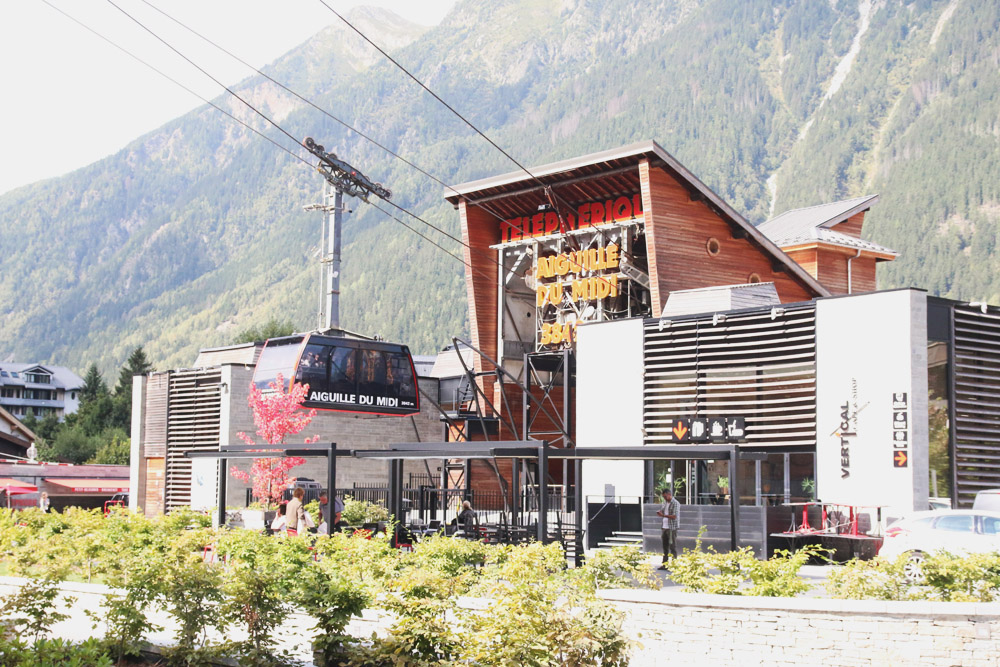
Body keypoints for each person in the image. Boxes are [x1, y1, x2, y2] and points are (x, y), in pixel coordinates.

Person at [656, 488, 680, 569]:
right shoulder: (665, 503)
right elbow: (663, 511)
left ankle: (674, 565)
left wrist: (663, 515)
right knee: (665, 547)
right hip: (664, 527)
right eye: (663, 497)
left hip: (671, 528)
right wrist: (660, 512)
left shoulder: (675, 503)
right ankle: (665, 564)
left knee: (672, 546)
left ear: (669, 494)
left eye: (665, 496)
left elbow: (674, 516)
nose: (664, 498)